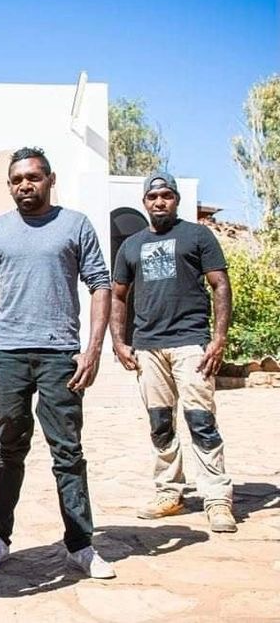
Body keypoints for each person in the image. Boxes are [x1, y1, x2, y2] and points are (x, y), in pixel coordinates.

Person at [0, 147, 116, 579]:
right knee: (8, 449)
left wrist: (92, 350)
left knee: (67, 452)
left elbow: (100, 286)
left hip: (59, 355)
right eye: (16, 179)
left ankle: (81, 545)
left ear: (50, 179)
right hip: (9, 356)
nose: (24, 185)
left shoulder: (75, 225)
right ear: (9, 185)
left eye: (33, 177)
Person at [110, 171, 236, 532]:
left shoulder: (198, 235)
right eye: (153, 197)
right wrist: (119, 341)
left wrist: (218, 339)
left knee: (202, 422)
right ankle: (169, 492)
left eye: (166, 195)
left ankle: (217, 499)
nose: (160, 202)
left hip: (190, 343)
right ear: (145, 203)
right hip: (148, 348)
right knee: (160, 424)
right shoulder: (131, 245)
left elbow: (220, 285)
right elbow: (118, 295)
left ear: (176, 199)